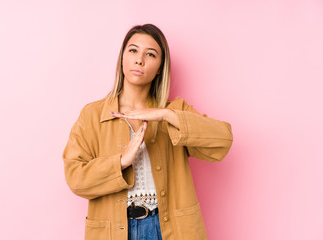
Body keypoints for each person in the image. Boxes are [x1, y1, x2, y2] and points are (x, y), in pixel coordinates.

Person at [62, 23, 233, 240]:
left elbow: (223, 140)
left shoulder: (175, 111)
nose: (139, 59)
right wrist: (121, 162)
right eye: (133, 50)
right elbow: (75, 178)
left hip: (169, 228)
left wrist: (166, 115)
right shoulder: (92, 115)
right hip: (115, 230)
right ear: (122, 57)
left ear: (161, 66)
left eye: (150, 54)